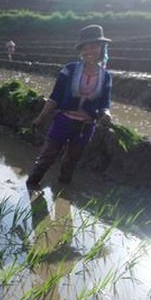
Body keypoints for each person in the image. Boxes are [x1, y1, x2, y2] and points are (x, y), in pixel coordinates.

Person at [26, 25, 112, 188]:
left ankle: (62, 193)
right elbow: (55, 96)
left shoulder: (106, 76)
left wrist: (106, 113)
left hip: (85, 127)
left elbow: (105, 102)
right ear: (80, 51)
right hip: (63, 121)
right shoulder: (69, 69)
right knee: (47, 156)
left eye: (93, 46)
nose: (89, 51)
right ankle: (31, 186)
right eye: (85, 47)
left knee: (71, 161)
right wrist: (41, 116)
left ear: (101, 48)